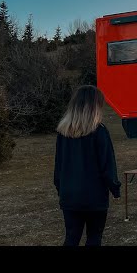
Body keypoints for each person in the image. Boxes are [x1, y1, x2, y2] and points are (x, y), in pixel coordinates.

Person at [54, 85, 121, 246]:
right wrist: (115, 189)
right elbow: (107, 165)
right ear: (95, 106)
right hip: (94, 195)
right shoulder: (99, 131)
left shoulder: (63, 132)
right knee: (94, 237)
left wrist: (60, 187)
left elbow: (59, 165)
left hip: (69, 194)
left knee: (71, 236)